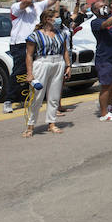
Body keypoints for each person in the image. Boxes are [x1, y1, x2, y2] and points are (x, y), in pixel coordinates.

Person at [5, 0, 55, 113]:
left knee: (36, 71)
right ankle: (9, 100)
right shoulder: (16, 7)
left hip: (36, 43)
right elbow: (27, 1)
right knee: (19, 72)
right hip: (20, 44)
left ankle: (28, 98)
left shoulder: (37, 6)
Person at [23, 8, 71, 136]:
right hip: (42, 63)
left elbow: (65, 50)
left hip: (58, 62)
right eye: (56, 17)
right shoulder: (35, 35)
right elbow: (29, 55)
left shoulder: (61, 34)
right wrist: (29, 73)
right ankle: (30, 125)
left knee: (54, 96)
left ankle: (52, 123)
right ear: (47, 19)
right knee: (36, 96)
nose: (58, 19)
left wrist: (68, 65)